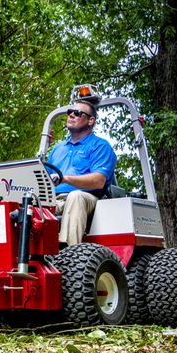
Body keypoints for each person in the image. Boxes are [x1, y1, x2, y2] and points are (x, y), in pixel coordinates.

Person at [48, 99, 117, 246]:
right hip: (56, 199)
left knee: (76, 196)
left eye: (77, 113)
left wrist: (65, 179)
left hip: (88, 199)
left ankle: (68, 252)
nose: (71, 115)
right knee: (27, 203)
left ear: (91, 121)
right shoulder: (57, 149)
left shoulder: (100, 146)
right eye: (69, 112)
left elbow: (99, 181)